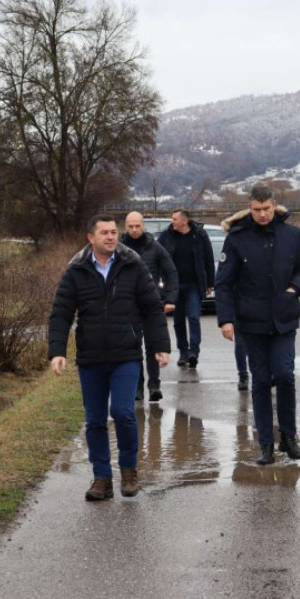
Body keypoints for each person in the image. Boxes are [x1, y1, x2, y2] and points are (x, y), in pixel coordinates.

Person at [48, 213, 171, 501]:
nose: (111, 237)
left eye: (113, 232)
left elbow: (152, 307)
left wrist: (160, 345)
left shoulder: (132, 265)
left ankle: (129, 471)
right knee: (94, 420)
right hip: (90, 357)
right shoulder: (77, 270)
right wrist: (57, 351)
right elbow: (61, 312)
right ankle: (102, 478)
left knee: (123, 413)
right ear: (91, 238)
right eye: (104, 232)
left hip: (126, 354)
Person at [215, 185, 300, 465]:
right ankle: (266, 445)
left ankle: (289, 437)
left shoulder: (291, 235)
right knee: (260, 381)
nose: (261, 214)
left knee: (284, 375)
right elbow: (223, 283)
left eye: (266, 209)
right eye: (256, 210)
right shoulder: (236, 239)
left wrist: (294, 289)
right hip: (251, 322)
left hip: (284, 319)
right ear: (250, 208)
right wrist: (226, 319)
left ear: (274, 206)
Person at [120, 211, 178, 402]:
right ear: (125, 227)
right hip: (128, 305)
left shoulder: (155, 247)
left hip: (152, 303)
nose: (135, 230)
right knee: (133, 347)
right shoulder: (118, 249)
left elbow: (171, 272)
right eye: (131, 226)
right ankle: (137, 387)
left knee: (154, 345)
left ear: (143, 226)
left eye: (138, 226)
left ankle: (154, 385)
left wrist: (170, 298)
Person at [156, 208, 215, 369]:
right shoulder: (166, 236)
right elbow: (157, 257)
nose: (172, 221)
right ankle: (183, 352)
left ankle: (193, 352)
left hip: (194, 284)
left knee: (194, 317)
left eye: (175, 219)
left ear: (184, 220)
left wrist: (210, 282)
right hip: (173, 285)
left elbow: (209, 259)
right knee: (178, 320)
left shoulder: (200, 235)